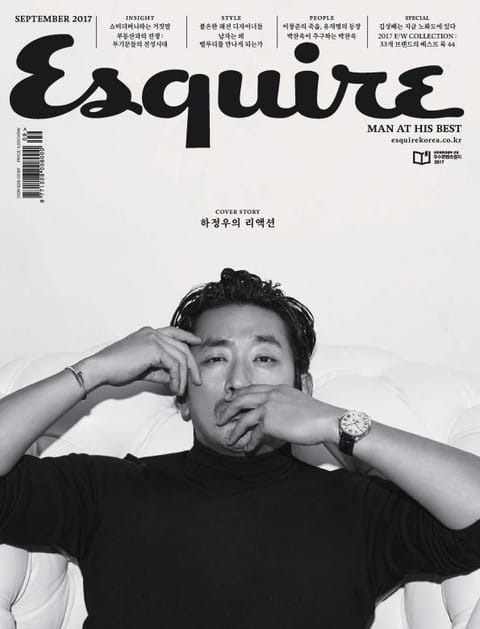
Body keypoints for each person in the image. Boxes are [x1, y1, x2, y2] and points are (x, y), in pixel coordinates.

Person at [1, 267, 480, 629]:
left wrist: (338, 425)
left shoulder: (358, 508)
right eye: (215, 359)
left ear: (302, 390)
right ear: (182, 396)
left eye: (264, 358)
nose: (239, 381)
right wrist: (93, 370)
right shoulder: (105, 491)